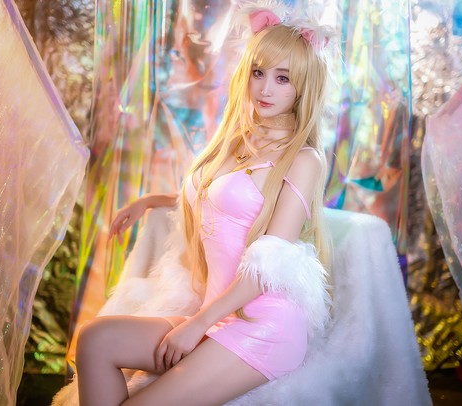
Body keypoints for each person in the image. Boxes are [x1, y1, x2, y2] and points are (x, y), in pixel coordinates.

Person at [75, 11, 332, 405]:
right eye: (258, 72)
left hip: (262, 325)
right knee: (95, 339)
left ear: (303, 87)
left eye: (283, 78)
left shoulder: (303, 158)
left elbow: (271, 266)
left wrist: (197, 325)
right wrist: (152, 201)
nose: (265, 88)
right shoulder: (238, 142)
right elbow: (224, 204)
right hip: (216, 312)